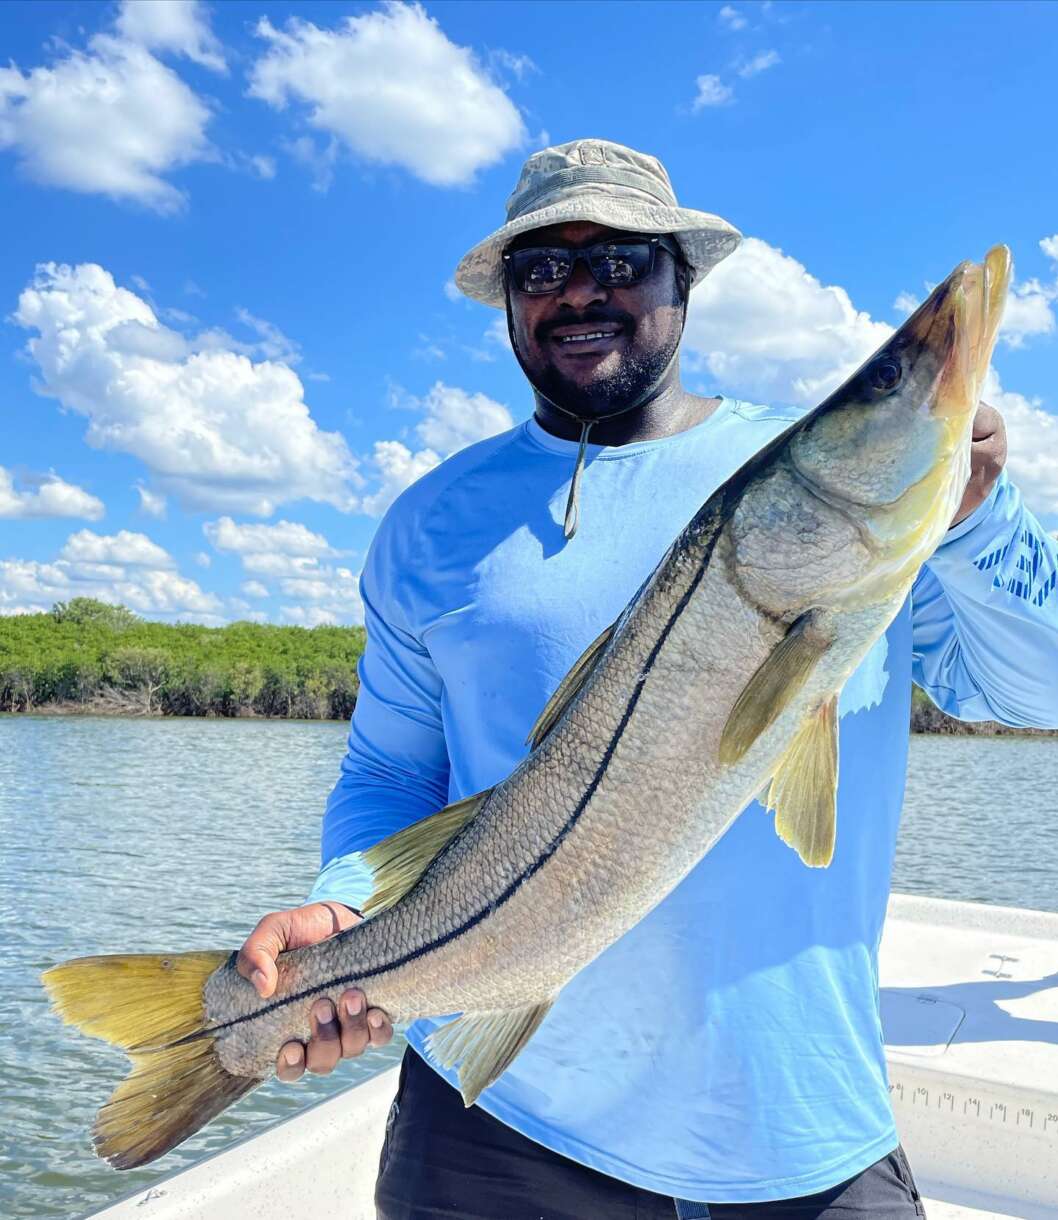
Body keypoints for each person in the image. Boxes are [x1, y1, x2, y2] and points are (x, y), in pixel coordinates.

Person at [236, 140, 1058, 1218]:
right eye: (541, 269)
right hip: (494, 1125)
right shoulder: (427, 524)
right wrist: (346, 911)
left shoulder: (837, 506)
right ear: (507, 303)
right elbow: (391, 769)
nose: (582, 290)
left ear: (683, 280)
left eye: (623, 259)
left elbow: (1036, 692)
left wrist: (978, 515)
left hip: (799, 1123)